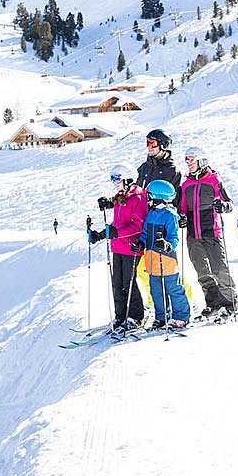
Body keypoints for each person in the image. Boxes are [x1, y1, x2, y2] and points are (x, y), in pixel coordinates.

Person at [180, 146, 237, 320]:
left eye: (192, 159)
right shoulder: (186, 185)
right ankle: (213, 304)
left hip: (212, 232)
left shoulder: (214, 180)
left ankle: (230, 306)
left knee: (219, 269)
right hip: (193, 235)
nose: (188, 163)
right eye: (187, 159)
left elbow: (229, 203)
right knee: (203, 272)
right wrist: (181, 217)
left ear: (202, 160)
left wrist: (223, 206)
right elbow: (182, 209)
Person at [91, 163, 147, 332]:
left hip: (131, 247)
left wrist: (116, 233)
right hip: (118, 247)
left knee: (128, 282)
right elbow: (117, 224)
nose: (114, 182)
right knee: (117, 283)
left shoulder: (137, 198)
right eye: (112, 179)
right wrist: (101, 234)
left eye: (117, 179)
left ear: (128, 180)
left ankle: (136, 317)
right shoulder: (120, 198)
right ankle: (121, 316)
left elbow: (138, 226)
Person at [134, 179, 190, 329]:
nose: (148, 198)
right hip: (152, 259)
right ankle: (162, 317)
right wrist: (140, 243)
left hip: (166, 259)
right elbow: (145, 234)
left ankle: (181, 317)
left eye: (150, 195)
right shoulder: (151, 213)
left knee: (173, 288)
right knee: (156, 290)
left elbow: (174, 237)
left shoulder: (169, 215)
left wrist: (167, 245)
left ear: (159, 197)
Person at [137, 129, 183, 210]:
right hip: (141, 215)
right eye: (148, 143)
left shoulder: (172, 170)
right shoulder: (144, 167)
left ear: (163, 145)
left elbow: (175, 200)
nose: (149, 147)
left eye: (153, 143)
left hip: (158, 217)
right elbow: (133, 191)